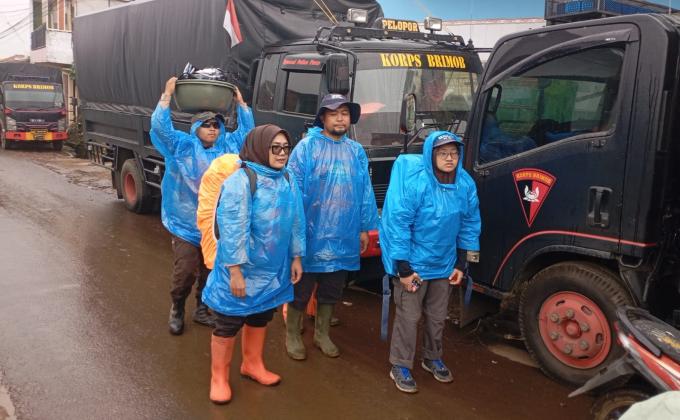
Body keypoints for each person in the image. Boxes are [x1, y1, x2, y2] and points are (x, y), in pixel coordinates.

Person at [201, 124, 305, 404]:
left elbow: (296, 220)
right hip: (241, 270)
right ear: (260, 148)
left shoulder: (288, 178)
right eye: (275, 148)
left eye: (286, 148)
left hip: (272, 269)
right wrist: (235, 271)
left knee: (261, 315)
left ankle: (252, 364)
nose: (282, 153)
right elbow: (232, 228)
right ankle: (219, 378)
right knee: (228, 321)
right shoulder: (242, 181)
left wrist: (296, 256)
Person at [150, 76, 254, 336]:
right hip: (185, 224)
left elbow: (246, 134)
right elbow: (161, 128)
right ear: (195, 127)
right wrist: (167, 95)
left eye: (216, 125)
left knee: (211, 268)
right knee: (185, 269)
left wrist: (242, 105)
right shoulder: (181, 146)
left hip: (215, 224)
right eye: (206, 125)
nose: (212, 129)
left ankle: (202, 308)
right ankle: (177, 306)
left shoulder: (228, 146)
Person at [379, 130, 481, 394]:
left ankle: (432, 357)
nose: (449, 158)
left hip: (443, 265)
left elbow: (469, 223)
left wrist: (461, 263)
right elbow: (399, 225)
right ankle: (400, 365)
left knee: (437, 317)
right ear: (430, 156)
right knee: (409, 317)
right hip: (414, 266)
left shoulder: (464, 184)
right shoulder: (417, 183)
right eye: (443, 153)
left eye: (454, 153)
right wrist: (403, 268)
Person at [286, 93, 379, 360]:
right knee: (301, 288)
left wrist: (364, 228)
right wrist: (294, 232)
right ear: (323, 118)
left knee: (332, 288)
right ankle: (292, 334)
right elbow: (292, 191)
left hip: (343, 233)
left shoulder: (356, 151)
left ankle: (322, 334)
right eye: (334, 113)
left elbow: (365, 192)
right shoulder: (307, 148)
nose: (340, 119)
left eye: (345, 114)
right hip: (311, 233)